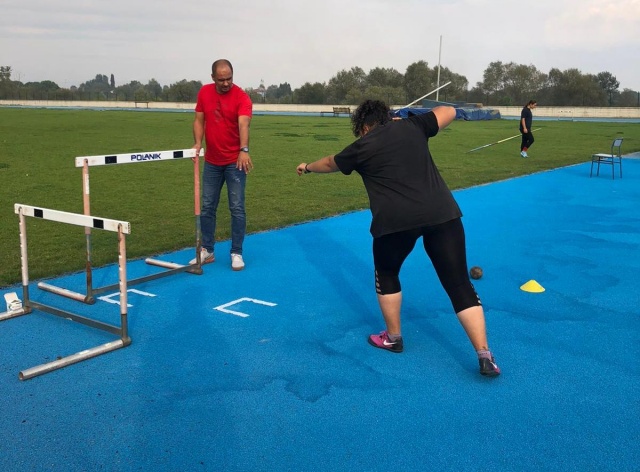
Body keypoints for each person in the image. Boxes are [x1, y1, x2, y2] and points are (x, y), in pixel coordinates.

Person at [296, 100, 500, 377]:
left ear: (364, 126)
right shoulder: (413, 126)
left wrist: (307, 166)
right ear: (388, 116)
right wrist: (408, 116)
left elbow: (331, 162)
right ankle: (485, 355)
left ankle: (393, 338)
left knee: (387, 272)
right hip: (442, 214)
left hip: (395, 222)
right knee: (459, 284)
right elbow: (450, 111)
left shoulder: (362, 146)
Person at [191, 59, 253, 271]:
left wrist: (244, 150)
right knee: (207, 206)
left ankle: (237, 252)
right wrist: (198, 143)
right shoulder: (204, 93)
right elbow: (199, 120)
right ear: (213, 78)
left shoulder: (242, 97)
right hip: (212, 162)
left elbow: (244, 124)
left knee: (237, 208)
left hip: (235, 162)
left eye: (229, 79)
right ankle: (207, 250)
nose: (226, 83)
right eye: (221, 80)